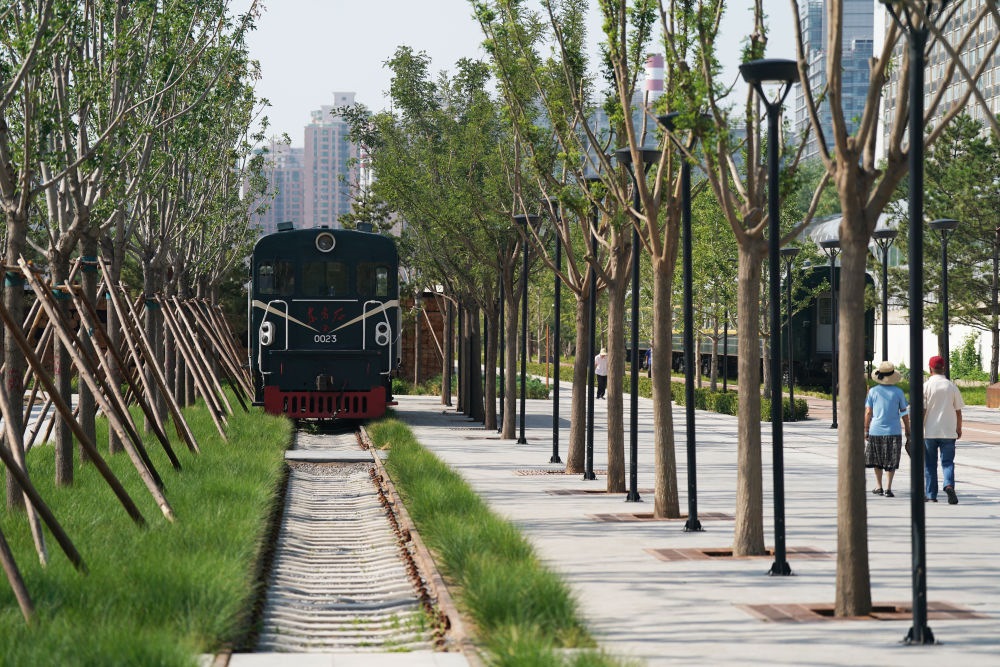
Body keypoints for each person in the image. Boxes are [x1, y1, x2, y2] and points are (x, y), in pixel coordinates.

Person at [864, 360, 910, 498]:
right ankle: (888, 488)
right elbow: (904, 413)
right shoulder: (898, 392)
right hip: (894, 431)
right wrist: (908, 430)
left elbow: (868, 412)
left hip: (875, 430)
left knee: (877, 459)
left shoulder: (873, 391)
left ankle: (879, 486)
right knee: (891, 460)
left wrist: (866, 429)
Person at [924, 355, 965, 504]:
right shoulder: (951, 386)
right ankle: (948, 485)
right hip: (948, 431)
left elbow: (922, 410)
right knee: (948, 462)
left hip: (929, 431)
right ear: (944, 368)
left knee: (930, 464)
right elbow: (958, 411)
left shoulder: (926, 386)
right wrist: (958, 428)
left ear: (930, 369)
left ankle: (931, 495)